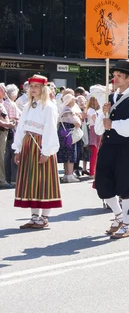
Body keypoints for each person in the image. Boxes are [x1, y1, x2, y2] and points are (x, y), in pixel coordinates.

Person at [95, 60, 129, 239]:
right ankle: (118, 216)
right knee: (102, 184)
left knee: (125, 186)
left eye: (118, 75)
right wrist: (103, 113)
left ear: (128, 78)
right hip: (107, 145)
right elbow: (98, 128)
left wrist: (113, 124)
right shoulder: (110, 98)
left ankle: (126, 224)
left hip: (125, 146)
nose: (114, 78)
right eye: (114, 75)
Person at [13, 75, 60, 229]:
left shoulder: (49, 107)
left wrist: (46, 151)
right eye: (31, 86)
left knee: (44, 181)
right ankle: (34, 217)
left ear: (43, 89)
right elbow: (21, 129)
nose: (33, 89)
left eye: (36, 86)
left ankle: (44, 218)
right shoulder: (27, 106)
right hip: (28, 144)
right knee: (31, 180)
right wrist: (18, 149)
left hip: (41, 145)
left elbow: (51, 130)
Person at [57, 94, 82, 183]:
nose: (74, 101)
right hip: (69, 133)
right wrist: (78, 116)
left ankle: (66, 174)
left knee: (65, 154)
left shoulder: (62, 109)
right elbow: (77, 123)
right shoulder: (69, 110)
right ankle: (70, 175)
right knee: (70, 154)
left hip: (63, 132)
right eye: (73, 100)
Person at [4, 84, 21, 185]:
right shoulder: (11, 104)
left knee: (7, 156)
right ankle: (14, 179)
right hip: (13, 131)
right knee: (14, 154)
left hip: (8, 131)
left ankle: (8, 177)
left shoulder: (6, 103)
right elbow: (16, 118)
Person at [86, 96, 101, 180]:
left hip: (96, 130)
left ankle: (94, 171)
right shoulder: (91, 110)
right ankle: (92, 171)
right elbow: (96, 119)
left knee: (97, 153)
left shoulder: (93, 110)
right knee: (94, 152)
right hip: (94, 130)